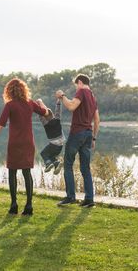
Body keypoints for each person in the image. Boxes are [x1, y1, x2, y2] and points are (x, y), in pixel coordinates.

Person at [0, 78, 49, 216]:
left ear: (9, 91)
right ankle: (29, 206)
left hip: (14, 143)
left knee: (12, 172)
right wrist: (41, 102)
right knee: (27, 173)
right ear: (24, 90)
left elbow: (0, 125)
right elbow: (46, 113)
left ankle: (14, 205)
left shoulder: (10, 105)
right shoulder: (30, 103)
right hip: (28, 143)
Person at [56, 74, 100, 208]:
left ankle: (70, 197)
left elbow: (71, 106)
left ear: (80, 82)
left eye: (76, 85)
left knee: (68, 164)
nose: (76, 88)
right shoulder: (93, 96)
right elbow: (97, 120)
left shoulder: (82, 91)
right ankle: (89, 199)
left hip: (77, 133)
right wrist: (93, 137)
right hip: (87, 134)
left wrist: (62, 96)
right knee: (85, 168)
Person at [36, 98, 65, 175]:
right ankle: (56, 163)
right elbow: (58, 110)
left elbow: (41, 116)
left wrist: (39, 105)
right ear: (52, 114)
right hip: (60, 146)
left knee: (43, 153)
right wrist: (58, 101)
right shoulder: (57, 119)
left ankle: (48, 164)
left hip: (53, 145)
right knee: (51, 156)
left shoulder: (46, 124)